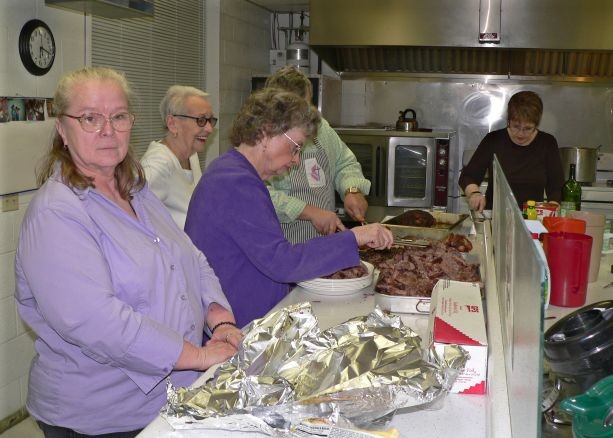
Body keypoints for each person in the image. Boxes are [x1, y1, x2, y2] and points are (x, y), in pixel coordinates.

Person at [14, 67, 242, 437]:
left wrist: (219, 318)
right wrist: (197, 356)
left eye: (118, 116)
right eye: (90, 118)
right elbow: (97, 320)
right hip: (100, 416)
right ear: (62, 129)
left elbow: (189, 257)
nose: (108, 130)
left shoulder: (134, 189)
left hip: (167, 398)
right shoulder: (57, 212)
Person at [185, 88, 394, 328]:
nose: (296, 160)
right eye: (295, 147)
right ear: (266, 133)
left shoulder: (235, 172)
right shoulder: (235, 183)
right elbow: (282, 262)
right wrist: (354, 237)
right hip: (237, 326)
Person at [265, 65, 370, 243]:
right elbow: (261, 196)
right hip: (285, 244)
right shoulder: (265, 141)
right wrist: (309, 211)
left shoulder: (322, 129)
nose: (306, 116)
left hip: (323, 242)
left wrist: (352, 190)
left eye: (307, 105)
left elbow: (344, 163)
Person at [459, 90, 564, 212]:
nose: (520, 134)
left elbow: (556, 187)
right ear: (508, 120)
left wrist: (553, 205)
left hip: (532, 218)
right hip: (496, 217)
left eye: (527, 128)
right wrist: (474, 194)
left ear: (536, 124)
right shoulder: (493, 140)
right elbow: (468, 176)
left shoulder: (547, 143)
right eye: (515, 126)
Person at [140, 85, 216, 228]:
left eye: (210, 120)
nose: (209, 129)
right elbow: (131, 216)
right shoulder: (157, 164)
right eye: (201, 120)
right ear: (172, 123)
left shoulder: (191, 155)